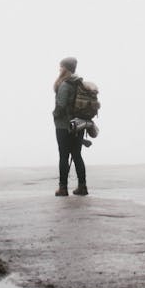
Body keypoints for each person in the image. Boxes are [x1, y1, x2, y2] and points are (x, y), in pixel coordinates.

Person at [52, 56, 88, 196]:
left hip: (64, 125)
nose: (59, 69)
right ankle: (82, 186)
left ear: (65, 69)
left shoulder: (65, 85)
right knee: (77, 155)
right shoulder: (79, 84)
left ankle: (63, 188)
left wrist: (54, 115)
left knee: (63, 156)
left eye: (61, 66)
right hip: (78, 124)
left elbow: (60, 106)